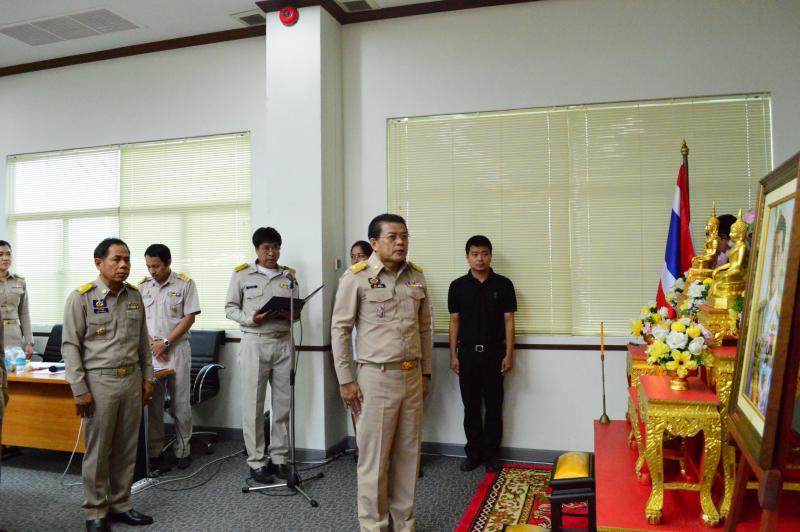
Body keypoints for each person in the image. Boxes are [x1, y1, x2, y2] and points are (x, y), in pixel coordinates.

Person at [332, 213, 433, 532]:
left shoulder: (416, 276)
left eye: (404, 236)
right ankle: (373, 526)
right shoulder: (356, 277)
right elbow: (340, 330)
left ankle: (403, 524)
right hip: (376, 379)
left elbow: (425, 329)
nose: (401, 242)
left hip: (411, 376)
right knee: (374, 461)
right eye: (393, 237)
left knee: (408, 457)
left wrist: (426, 374)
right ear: (374, 243)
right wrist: (346, 379)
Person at [61, 238, 154, 532]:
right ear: (98, 262)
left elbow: (143, 343)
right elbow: (70, 346)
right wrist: (79, 389)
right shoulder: (82, 297)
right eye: (116, 259)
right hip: (99, 380)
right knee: (99, 450)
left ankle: (120, 504)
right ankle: (95, 510)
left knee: (127, 447)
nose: (123, 265)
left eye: (127, 259)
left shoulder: (134, 295)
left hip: (132, 379)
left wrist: (148, 378)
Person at [225, 227, 297, 484]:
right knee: (253, 405)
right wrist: (250, 319)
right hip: (255, 342)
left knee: (282, 404)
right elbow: (230, 308)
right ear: (256, 250)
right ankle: (257, 461)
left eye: (276, 247)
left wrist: (291, 314)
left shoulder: (288, 276)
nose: (272, 253)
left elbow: (296, 311)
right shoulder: (242, 275)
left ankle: (279, 458)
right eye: (266, 248)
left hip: (284, 342)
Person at [448, 235, 516, 473]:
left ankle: (492, 454)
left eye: (485, 253)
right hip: (467, 354)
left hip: (495, 354)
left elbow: (509, 321)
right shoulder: (457, 286)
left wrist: (509, 354)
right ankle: (473, 453)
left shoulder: (503, 285)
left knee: (495, 406)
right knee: (471, 407)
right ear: (467, 257)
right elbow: (454, 321)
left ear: (490, 255)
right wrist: (453, 355)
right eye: (475, 254)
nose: (480, 258)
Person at [139, 244, 201, 471]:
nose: (151, 271)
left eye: (155, 266)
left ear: (168, 263)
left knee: (180, 404)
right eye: (148, 266)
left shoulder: (185, 284)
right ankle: (155, 451)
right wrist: (152, 345)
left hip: (176, 350)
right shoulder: (142, 287)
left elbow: (189, 317)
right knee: (153, 404)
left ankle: (183, 450)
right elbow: (139, 320)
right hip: (151, 351)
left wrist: (165, 343)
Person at [0, 240, 34, 357]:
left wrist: (29, 341)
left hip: (13, 335)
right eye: (0, 254)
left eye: (8, 254)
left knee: (12, 368)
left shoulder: (20, 281)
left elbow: (24, 313)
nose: (5, 258)